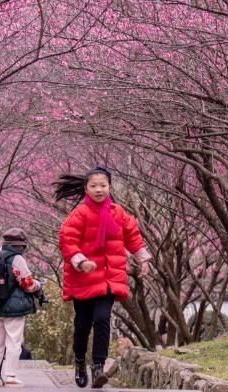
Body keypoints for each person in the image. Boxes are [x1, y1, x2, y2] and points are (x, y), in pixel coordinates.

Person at [56, 166, 152, 389]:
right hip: (83, 279)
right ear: (86, 188)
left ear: (109, 186)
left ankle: (98, 366)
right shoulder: (79, 214)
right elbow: (67, 241)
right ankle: (80, 362)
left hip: (109, 279)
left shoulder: (118, 213)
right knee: (82, 325)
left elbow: (132, 235)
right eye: (94, 186)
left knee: (102, 319)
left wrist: (143, 259)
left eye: (103, 185)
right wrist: (82, 262)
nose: (99, 189)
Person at [0, 228, 40, 388]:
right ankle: (11, 376)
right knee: (14, 341)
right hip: (14, 307)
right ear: (20, 245)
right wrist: (38, 285)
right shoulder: (17, 258)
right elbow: (27, 284)